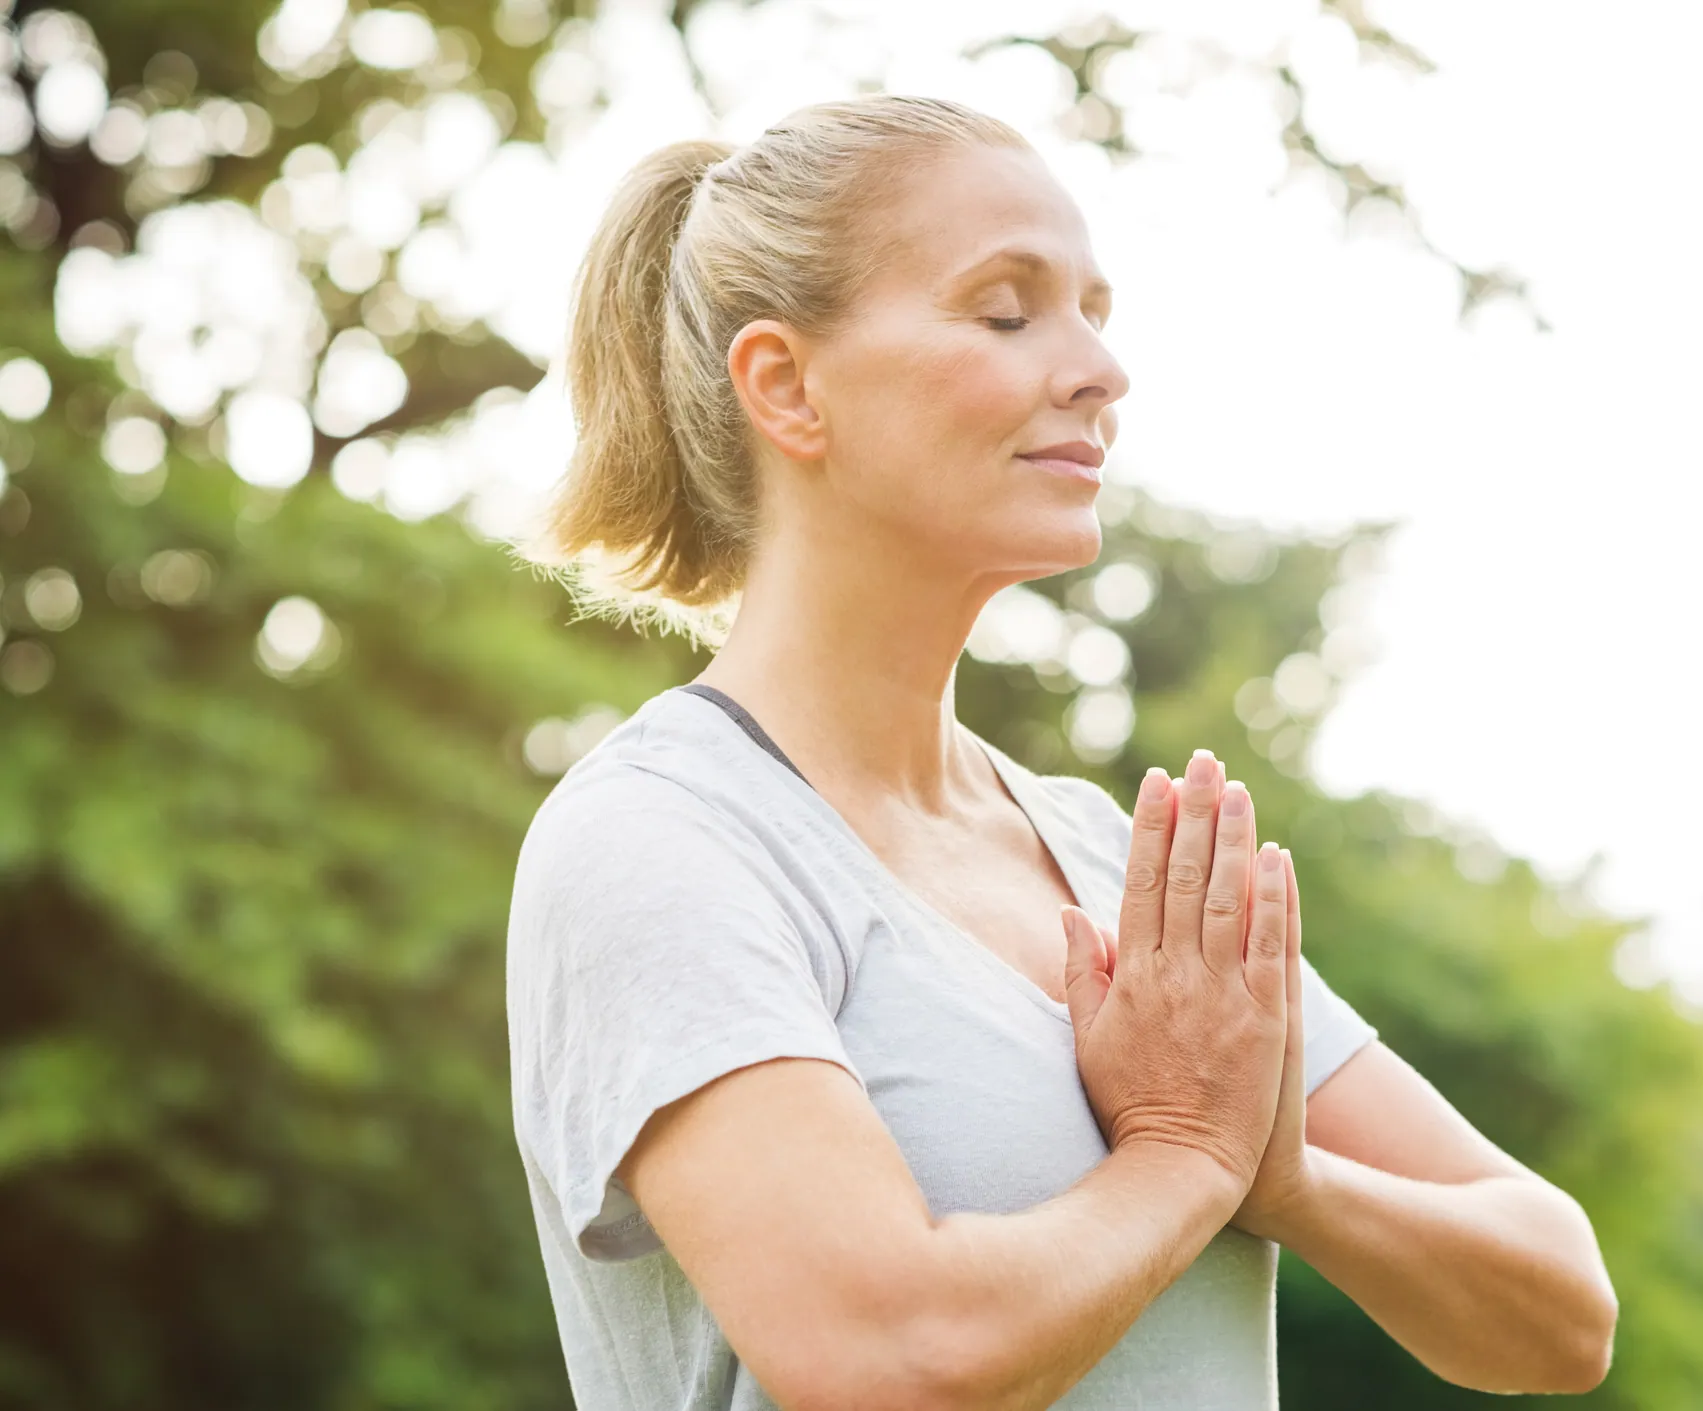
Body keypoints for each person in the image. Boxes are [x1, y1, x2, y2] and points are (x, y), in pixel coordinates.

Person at [504, 93, 1617, 1411]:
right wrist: (1185, 1156)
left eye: (1097, 309)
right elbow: (886, 1358)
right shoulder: (661, 842)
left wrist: (1293, 1179)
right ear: (787, 386)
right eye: (1007, 309)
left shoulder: (1112, 860)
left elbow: (1560, 1312)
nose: (1100, 368)